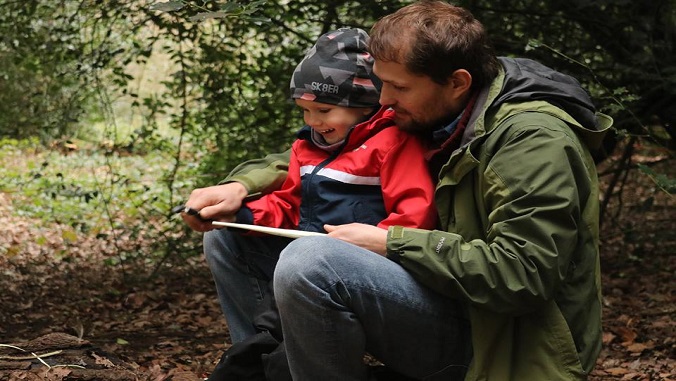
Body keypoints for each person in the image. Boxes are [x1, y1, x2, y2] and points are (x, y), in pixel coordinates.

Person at [183, 1, 613, 380]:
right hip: (450, 299)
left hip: (503, 342)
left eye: (399, 87)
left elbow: (524, 276)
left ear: (458, 81)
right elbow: (338, 154)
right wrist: (240, 187)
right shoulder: (441, 109)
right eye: (381, 83)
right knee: (226, 237)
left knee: (311, 261)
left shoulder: (531, 142)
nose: (384, 100)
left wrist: (393, 242)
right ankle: (270, 368)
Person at [182, 27, 437, 346]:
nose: (313, 121)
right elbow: (288, 206)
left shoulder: (392, 143)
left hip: (372, 266)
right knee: (223, 237)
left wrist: (378, 242)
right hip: (307, 260)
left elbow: (416, 213)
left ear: (365, 104)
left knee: (307, 258)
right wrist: (240, 218)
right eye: (305, 110)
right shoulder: (307, 149)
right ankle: (256, 353)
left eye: (324, 110)